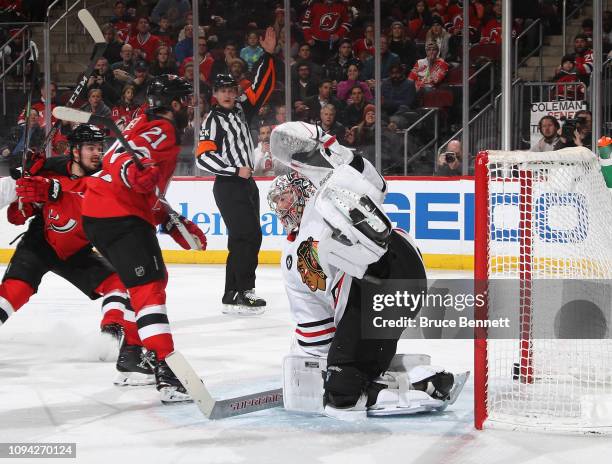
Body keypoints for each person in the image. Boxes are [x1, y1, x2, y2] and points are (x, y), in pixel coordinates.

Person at [268, 122, 465, 418]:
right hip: (376, 295)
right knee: (342, 384)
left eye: (284, 198)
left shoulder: (328, 195)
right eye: (276, 203)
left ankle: (417, 388)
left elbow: (376, 184)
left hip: (392, 271)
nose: (280, 208)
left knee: (341, 396)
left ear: (302, 189)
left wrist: (330, 146)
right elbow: (315, 323)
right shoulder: (290, 257)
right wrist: (325, 363)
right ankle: (420, 381)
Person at [81, 75, 207, 403]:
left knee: (147, 284)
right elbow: (124, 160)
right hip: (119, 215)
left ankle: (135, 358)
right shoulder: (162, 129)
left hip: (100, 213)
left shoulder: (141, 121)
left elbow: (143, 185)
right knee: (149, 288)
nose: (190, 108)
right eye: (186, 101)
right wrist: (132, 172)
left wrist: (169, 218)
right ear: (175, 104)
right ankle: (168, 371)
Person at [3, 125, 153, 386]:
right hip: (41, 243)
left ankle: (111, 333)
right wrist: (24, 194)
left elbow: (86, 194)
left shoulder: (107, 177)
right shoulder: (49, 168)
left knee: (118, 282)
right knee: (12, 294)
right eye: (91, 148)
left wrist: (56, 191)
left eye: (99, 148)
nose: (97, 153)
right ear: (74, 151)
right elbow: (16, 216)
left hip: (77, 250)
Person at [196, 27, 277, 315]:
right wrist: (233, 170)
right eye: (223, 91)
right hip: (229, 185)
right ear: (215, 94)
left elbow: (262, 87)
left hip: (246, 184)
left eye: (232, 90)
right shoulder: (212, 121)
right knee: (249, 236)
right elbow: (203, 158)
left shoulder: (241, 109)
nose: (229, 95)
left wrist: (267, 56)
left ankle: (233, 293)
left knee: (242, 237)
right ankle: (244, 291)